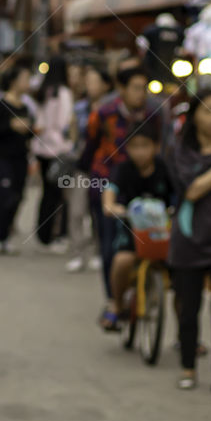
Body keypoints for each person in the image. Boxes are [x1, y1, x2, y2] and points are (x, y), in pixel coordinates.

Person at [167, 91, 211, 395]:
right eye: (208, 111)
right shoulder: (180, 152)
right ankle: (188, 367)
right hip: (189, 239)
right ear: (195, 116)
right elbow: (192, 192)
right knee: (189, 308)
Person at [80, 64, 156, 325]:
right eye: (136, 88)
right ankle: (114, 301)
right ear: (121, 89)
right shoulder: (104, 113)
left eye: (144, 88)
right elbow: (90, 147)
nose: (141, 94)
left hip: (142, 184)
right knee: (110, 244)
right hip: (105, 181)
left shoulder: (153, 114)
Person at [102, 120, 173, 331]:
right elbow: (109, 199)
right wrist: (115, 208)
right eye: (135, 147)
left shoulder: (166, 169)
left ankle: (185, 335)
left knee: (184, 274)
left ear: (156, 146)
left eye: (145, 146)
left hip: (163, 233)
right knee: (122, 261)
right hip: (132, 231)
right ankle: (116, 303)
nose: (140, 152)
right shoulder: (122, 170)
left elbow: (180, 195)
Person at [65, 63, 113, 273]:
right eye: (89, 81)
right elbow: (71, 135)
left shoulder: (112, 109)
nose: (90, 85)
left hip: (105, 168)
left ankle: (97, 252)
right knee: (76, 211)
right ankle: (77, 253)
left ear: (105, 85)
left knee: (98, 212)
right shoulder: (80, 107)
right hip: (83, 166)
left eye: (94, 81)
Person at [0, 62, 35, 256]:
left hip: (21, 158)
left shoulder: (25, 106)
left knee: (18, 196)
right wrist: (11, 126)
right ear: (14, 81)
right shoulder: (0, 104)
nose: (28, 83)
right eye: (25, 79)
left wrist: (28, 130)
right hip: (3, 158)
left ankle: (6, 235)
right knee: (4, 196)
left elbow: (31, 131)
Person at [31, 57, 74, 250]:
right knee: (59, 195)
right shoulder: (63, 93)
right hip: (58, 149)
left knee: (46, 192)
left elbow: (39, 121)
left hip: (41, 148)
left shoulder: (43, 90)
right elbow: (64, 122)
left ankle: (43, 233)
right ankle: (56, 234)